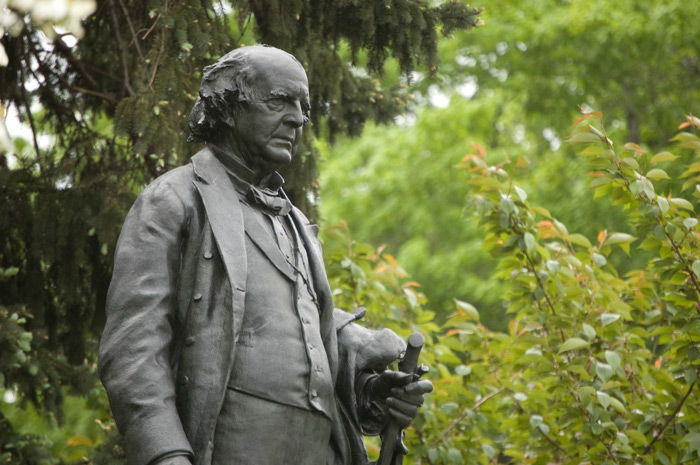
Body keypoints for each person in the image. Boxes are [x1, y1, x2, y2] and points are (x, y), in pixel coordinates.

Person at [98, 45, 432, 465]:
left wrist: (372, 394)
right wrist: (166, 455)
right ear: (229, 107)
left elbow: (311, 349)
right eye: (280, 101)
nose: (297, 118)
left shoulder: (294, 222)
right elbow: (133, 350)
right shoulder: (175, 200)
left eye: (303, 106)